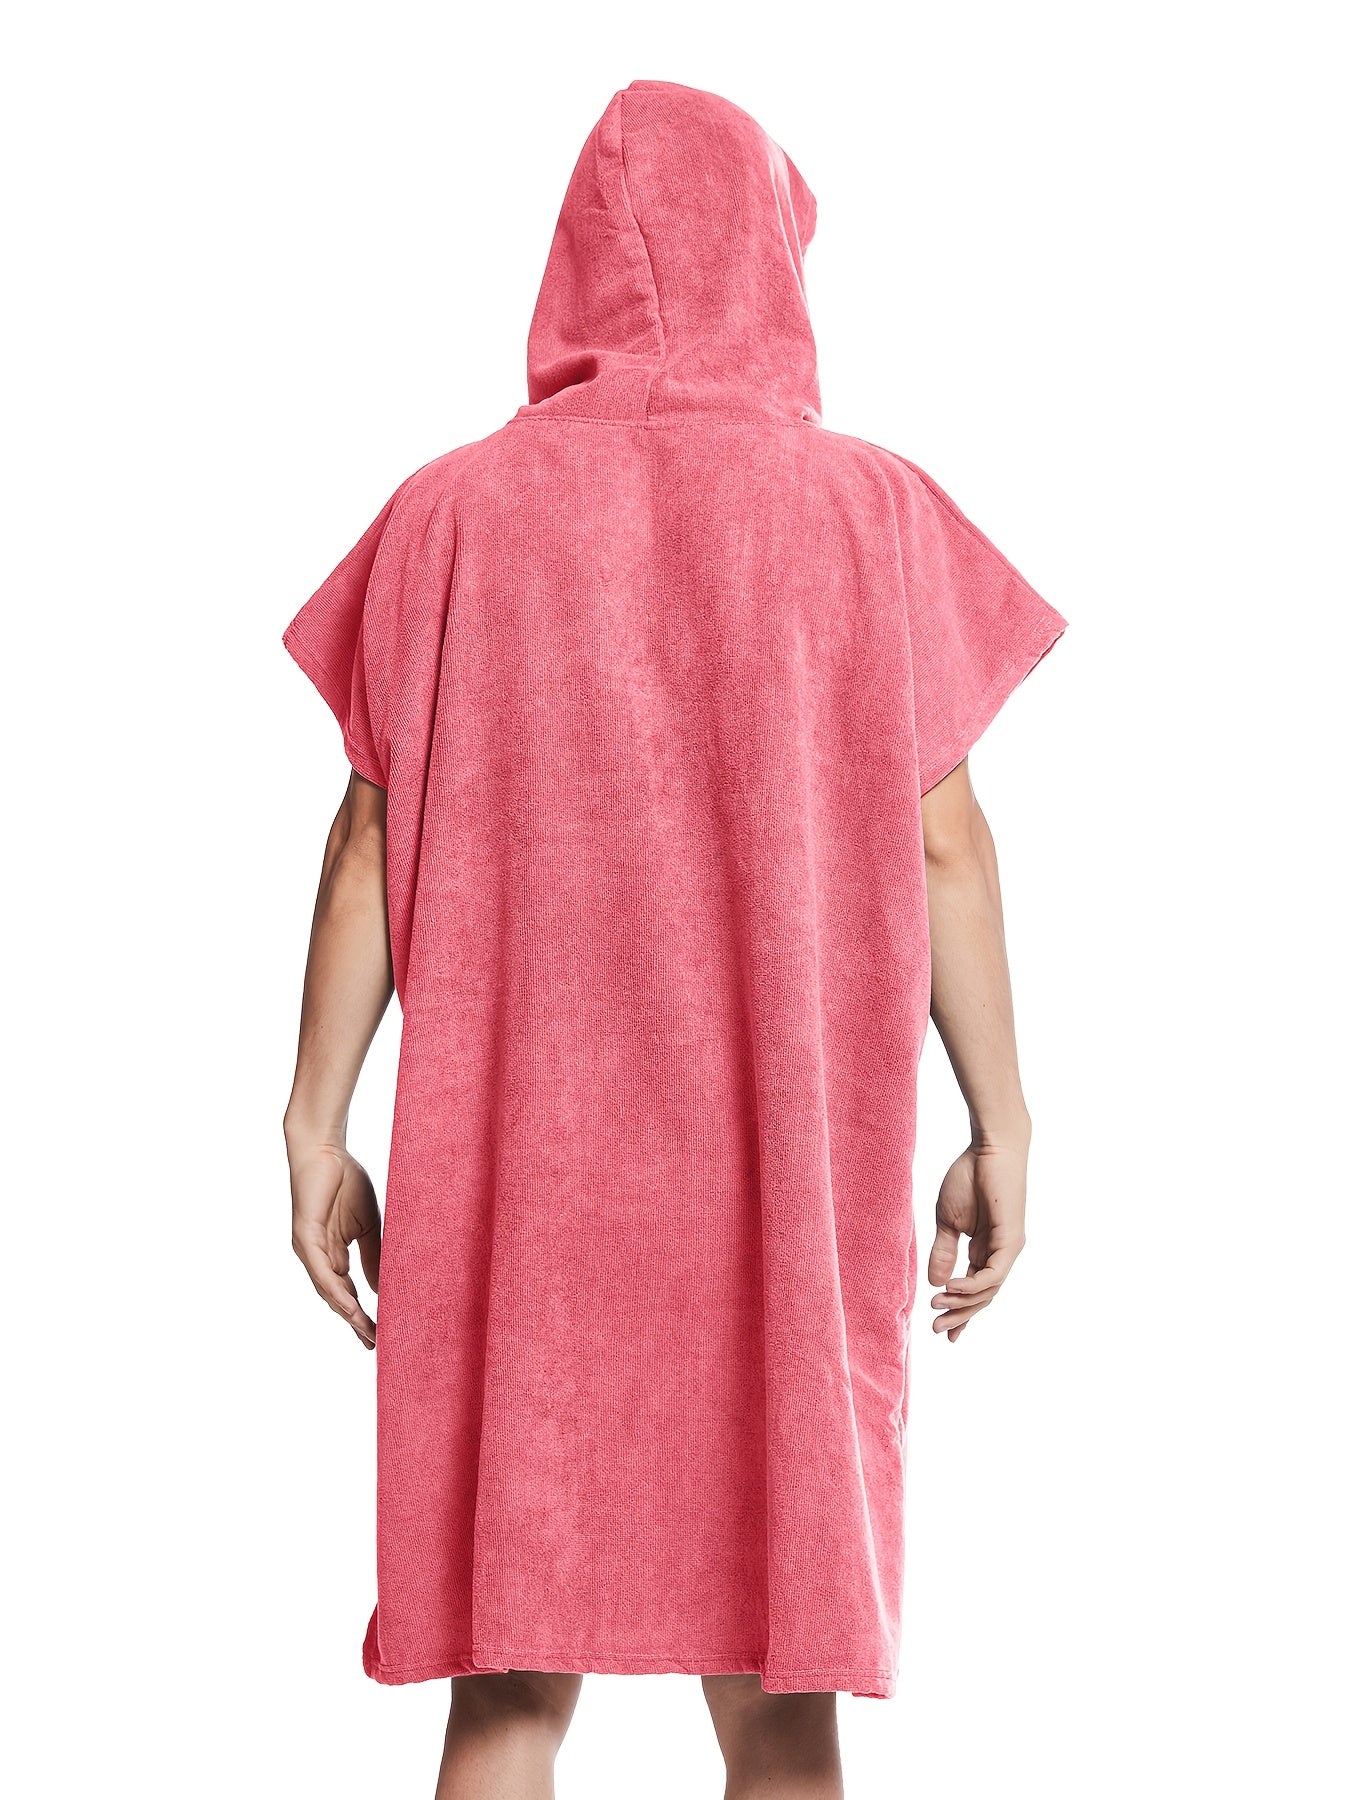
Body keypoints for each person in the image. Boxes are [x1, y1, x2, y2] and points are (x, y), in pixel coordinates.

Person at [283, 79, 1065, 1800]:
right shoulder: (865, 512)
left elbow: (365, 844)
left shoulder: (447, 513)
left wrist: (314, 1121)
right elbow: (943, 842)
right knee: (777, 1708)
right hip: (777, 1183)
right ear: (774, 263)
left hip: (512, 1185)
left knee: (503, 1702)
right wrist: (1000, 1121)